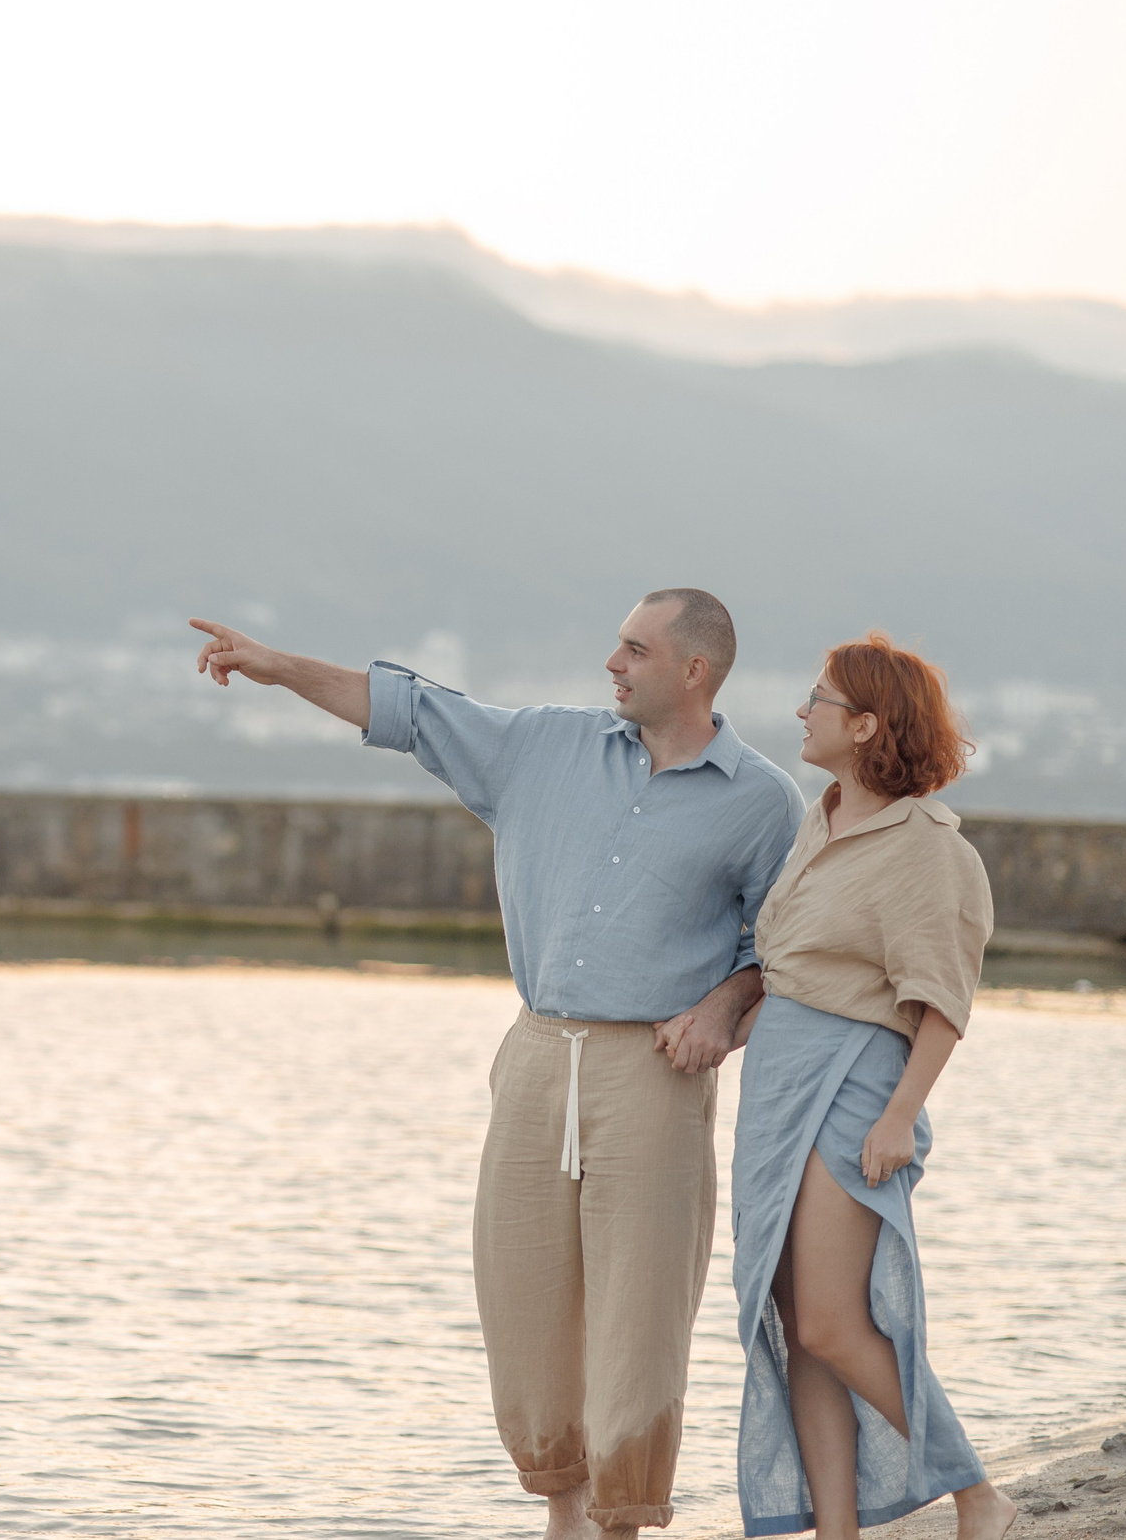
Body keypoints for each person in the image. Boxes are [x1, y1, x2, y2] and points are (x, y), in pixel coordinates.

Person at [192, 591, 803, 1540]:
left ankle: (620, 1523)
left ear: (694, 671)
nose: (612, 661)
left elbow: (791, 947)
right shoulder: (541, 746)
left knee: (640, 1315)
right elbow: (407, 709)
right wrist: (278, 668)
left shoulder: (762, 800)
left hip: (654, 1075)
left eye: (634, 648)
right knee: (520, 1304)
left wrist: (726, 1004)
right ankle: (562, 1513)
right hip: (532, 1056)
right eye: (615, 643)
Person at [728, 633, 1015, 1540]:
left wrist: (900, 1117)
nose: (800, 711)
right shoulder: (823, 815)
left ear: (863, 724)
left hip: (852, 1083)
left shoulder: (929, 848)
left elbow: (943, 1001)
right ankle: (837, 1533)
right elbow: (789, 961)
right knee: (796, 1327)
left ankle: (979, 1494)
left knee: (831, 1320)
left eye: (817, 698)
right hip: (777, 1084)